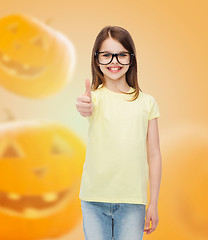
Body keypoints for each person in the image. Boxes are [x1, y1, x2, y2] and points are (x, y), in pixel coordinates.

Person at [75, 26, 162, 240]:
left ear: (131, 59)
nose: (114, 61)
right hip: (94, 199)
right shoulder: (93, 99)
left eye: (121, 54)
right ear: (96, 60)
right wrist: (83, 105)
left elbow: (154, 155)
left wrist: (154, 203)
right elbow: (85, 107)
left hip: (133, 203)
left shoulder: (147, 102)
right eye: (106, 55)